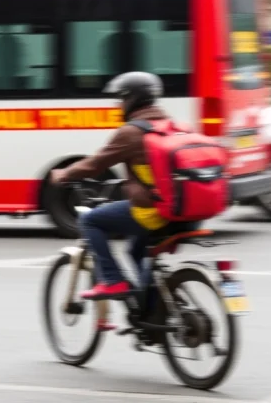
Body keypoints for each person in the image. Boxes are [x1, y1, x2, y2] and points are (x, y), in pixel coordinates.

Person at [50, 72, 200, 318]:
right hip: (187, 211)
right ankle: (152, 311)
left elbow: (94, 165)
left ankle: (112, 279)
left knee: (90, 220)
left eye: (120, 99)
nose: (117, 105)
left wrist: (64, 175)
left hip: (154, 212)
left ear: (132, 99)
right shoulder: (174, 126)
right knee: (135, 250)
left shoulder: (131, 133)